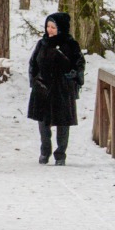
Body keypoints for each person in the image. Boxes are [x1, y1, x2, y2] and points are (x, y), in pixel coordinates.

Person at [27, 11, 84, 165]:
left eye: (53, 27)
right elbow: (33, 63)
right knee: (43, 122)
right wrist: (34, 80)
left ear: (61, 28)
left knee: (63, 123)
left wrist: (73, 76)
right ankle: (45, 151)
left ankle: (60, 154)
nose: (49, 30)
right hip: (43, 87)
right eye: (48, 26)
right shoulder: (42, 43)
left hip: (63, 88)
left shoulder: (71, 44)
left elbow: (79, 64)